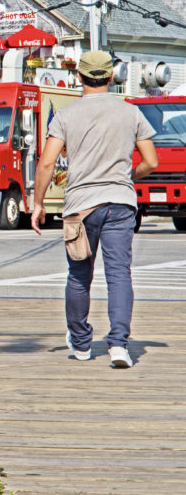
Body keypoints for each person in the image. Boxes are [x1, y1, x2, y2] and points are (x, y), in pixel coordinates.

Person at [31, 51, 158, 369]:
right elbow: (151, 161)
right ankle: (118, 346)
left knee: (78, 276)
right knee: (118, 275)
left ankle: (82, 343)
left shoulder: (65, 115)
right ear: (112, 77)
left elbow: (47, 162)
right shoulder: (131, 113)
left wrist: (37, 203)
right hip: (120, 204)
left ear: (79, 77)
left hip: (80, 207)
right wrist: (128, 176)